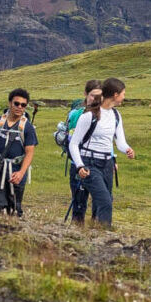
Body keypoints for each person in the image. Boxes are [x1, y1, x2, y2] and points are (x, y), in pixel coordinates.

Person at [65, 77, 132, 227]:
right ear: (115, 95)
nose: (124, 97)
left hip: (107, 164)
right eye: (123, 93)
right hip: (90, 163)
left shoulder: (116, 115)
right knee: (105, 201)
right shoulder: (88, 116)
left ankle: (99, 232)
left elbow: (119, 140)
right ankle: (104, 234)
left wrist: (126, 149)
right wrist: (80, 166)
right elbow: (74, 144)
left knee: (105, 201)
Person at [0, 88, 37, 214]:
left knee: (14, 206)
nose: (19, 107)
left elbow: (30, 152)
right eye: (16, 103)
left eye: (23, 105)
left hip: (16, 169)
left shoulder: (27, 127)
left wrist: (21, 172)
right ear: (9, 103)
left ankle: (12, 229)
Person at [57, 79, 103, 214]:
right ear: (86, 94)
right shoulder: (76, 115)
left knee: (100, 200)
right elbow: (72, 140)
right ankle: (77, 230)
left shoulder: (106, 115)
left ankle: (98, 228)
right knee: (79, 202)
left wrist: (112, 158)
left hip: (99, 163)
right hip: (79, 163)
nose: (96, 99)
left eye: (99, 96)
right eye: (93, 95)